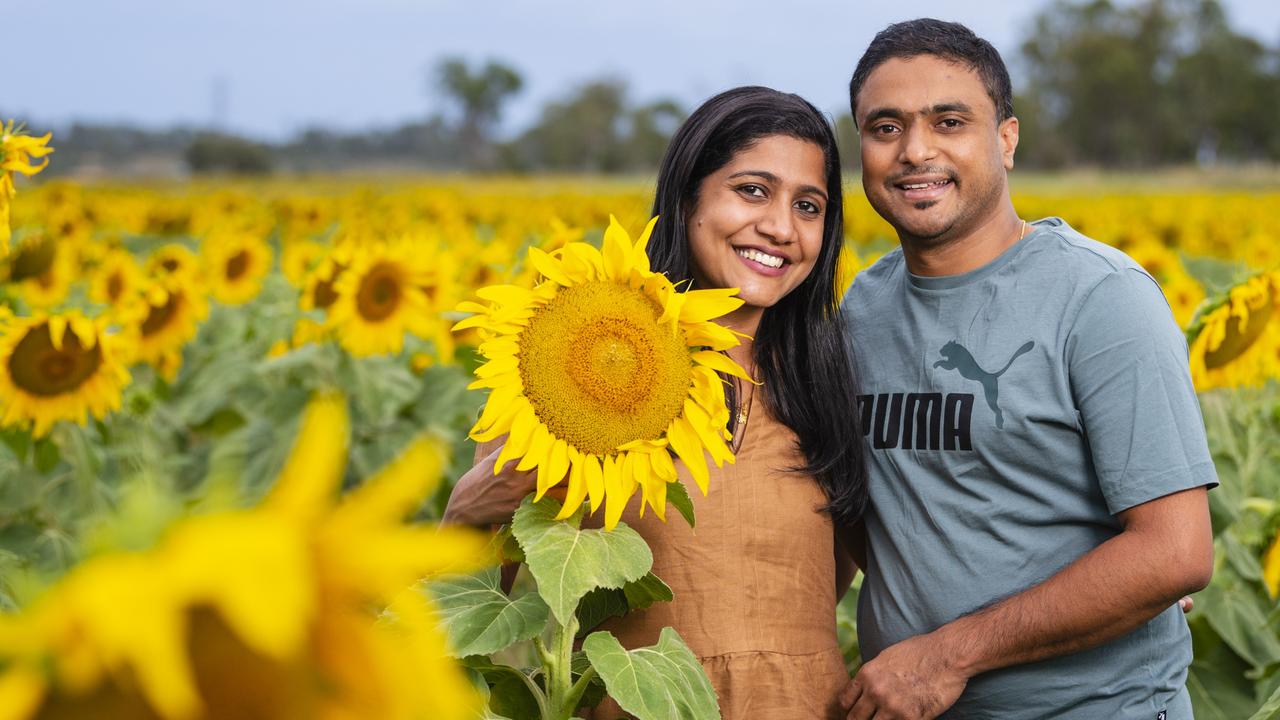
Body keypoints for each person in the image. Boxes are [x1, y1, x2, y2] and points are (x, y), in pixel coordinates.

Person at [445, 86, 868, 719]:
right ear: (687, 196)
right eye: (751, 190)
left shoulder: (827, 378)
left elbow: (822, 587)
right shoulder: (576, 356)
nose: (781, 227)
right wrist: (465, 512)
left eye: (808, 206)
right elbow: (470, 606)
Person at [838, 19, 1217, 720]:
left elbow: (1177, 553)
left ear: (1006, 140)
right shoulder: (862, 309)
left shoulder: (1101, 298)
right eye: (885, 127)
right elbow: (876, 510)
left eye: (949, 121)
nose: (915, 151)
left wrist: (946, 655)